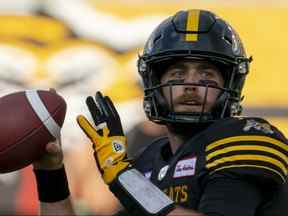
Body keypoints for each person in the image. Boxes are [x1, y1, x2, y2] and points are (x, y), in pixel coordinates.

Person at [32, 9, 288, 216]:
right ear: (155, 83)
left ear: (229, 86)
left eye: (206, 74)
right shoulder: (149, 161)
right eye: (177, 74)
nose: (191, 83)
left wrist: (124, 178)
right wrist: (50, 172)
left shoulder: (248, 140)